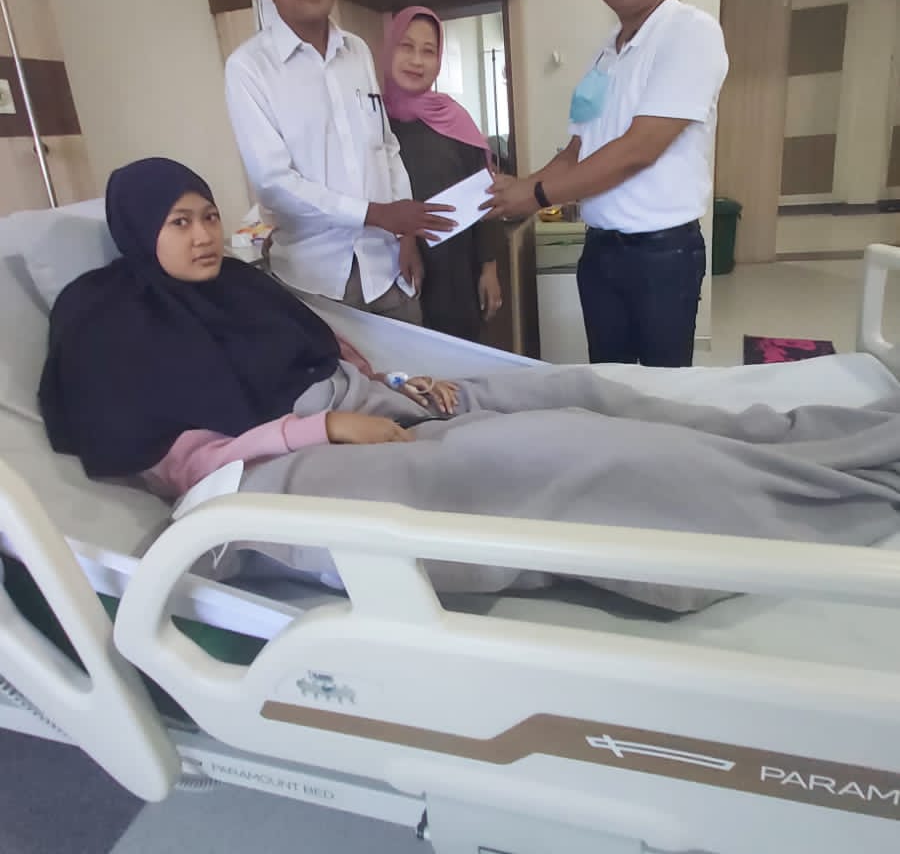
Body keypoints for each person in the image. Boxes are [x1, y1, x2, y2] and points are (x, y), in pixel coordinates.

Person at [38, 158, 900, 614]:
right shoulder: (112, 327)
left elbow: (326, 348)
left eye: (207, 215)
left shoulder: (235, 285)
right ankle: (792, 505)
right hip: (274, 472)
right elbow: (191, 468)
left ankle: (804, 442)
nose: (202, 235)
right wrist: (323, 431)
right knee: (561, 454)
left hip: (363, 406)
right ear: (138, 232)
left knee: (575, 393)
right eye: (179, 222)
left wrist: (397, 381)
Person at [483, 0, 728, 367]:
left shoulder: (690, 33)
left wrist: (536, 195)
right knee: (609, 383)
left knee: (659, 392)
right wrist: (522, 186)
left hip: (662, 255)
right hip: (599, 251)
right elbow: (580, 148)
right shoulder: (606, 51)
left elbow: (638, 150)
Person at [224, 0, 453, 321]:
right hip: (316, 282)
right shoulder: (248, 68)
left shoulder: (358, 52)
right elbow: (274, 184)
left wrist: (405, 236)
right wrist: (376, 214)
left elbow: (386, 148)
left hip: (390, 271)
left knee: (417, 367)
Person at [384, 6, 503, 341]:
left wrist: (489, 268)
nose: (416, 61)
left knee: (458, 361)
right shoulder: (372, 120)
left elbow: (485, 197)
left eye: (428, 51)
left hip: (455, 273)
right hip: (390, 273)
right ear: (389, 49)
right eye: (406, 47)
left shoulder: (454, 119)